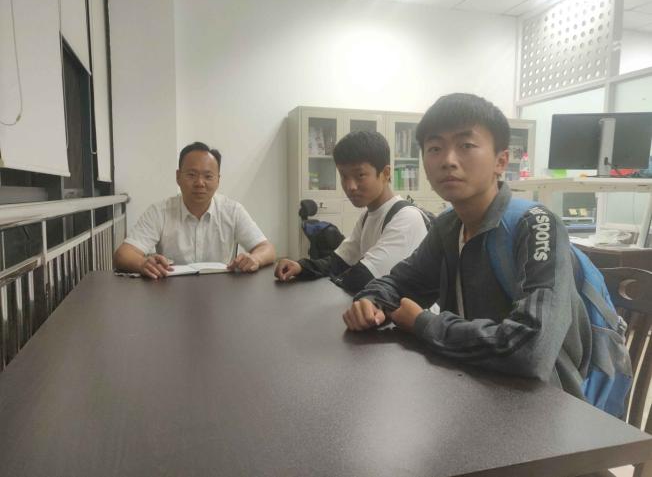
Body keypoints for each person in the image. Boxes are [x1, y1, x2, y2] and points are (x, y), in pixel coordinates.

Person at [343, 94, 593, 400]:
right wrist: (371, 301)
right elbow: (400, 282)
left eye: (466, 145)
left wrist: (425, 324)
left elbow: (531, 349)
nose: (448, 160)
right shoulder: (449, 226)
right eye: (435, 148)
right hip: (470, 389)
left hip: (541, 402)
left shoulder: (537, 225)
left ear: (501, 161)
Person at [274, 130, 429, 294]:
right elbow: (339, 262)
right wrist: (301, 267)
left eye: (360, 175)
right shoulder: (367, 216)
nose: (350, 186)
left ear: (385, 173)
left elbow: (362, 278)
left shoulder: (406, 218)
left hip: (407, 310)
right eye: (344, 176)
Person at [114, 142, 275, 279]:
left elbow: (267, 249)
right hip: (171, 292)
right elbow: (123, 255)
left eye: (208, 176)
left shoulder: (233, 211)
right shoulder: (159, 211)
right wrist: (143, 263)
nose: (200, 183)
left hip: (221, 291)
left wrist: (255, 259)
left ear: (218, 180)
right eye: (191, 175)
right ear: (178, 176)